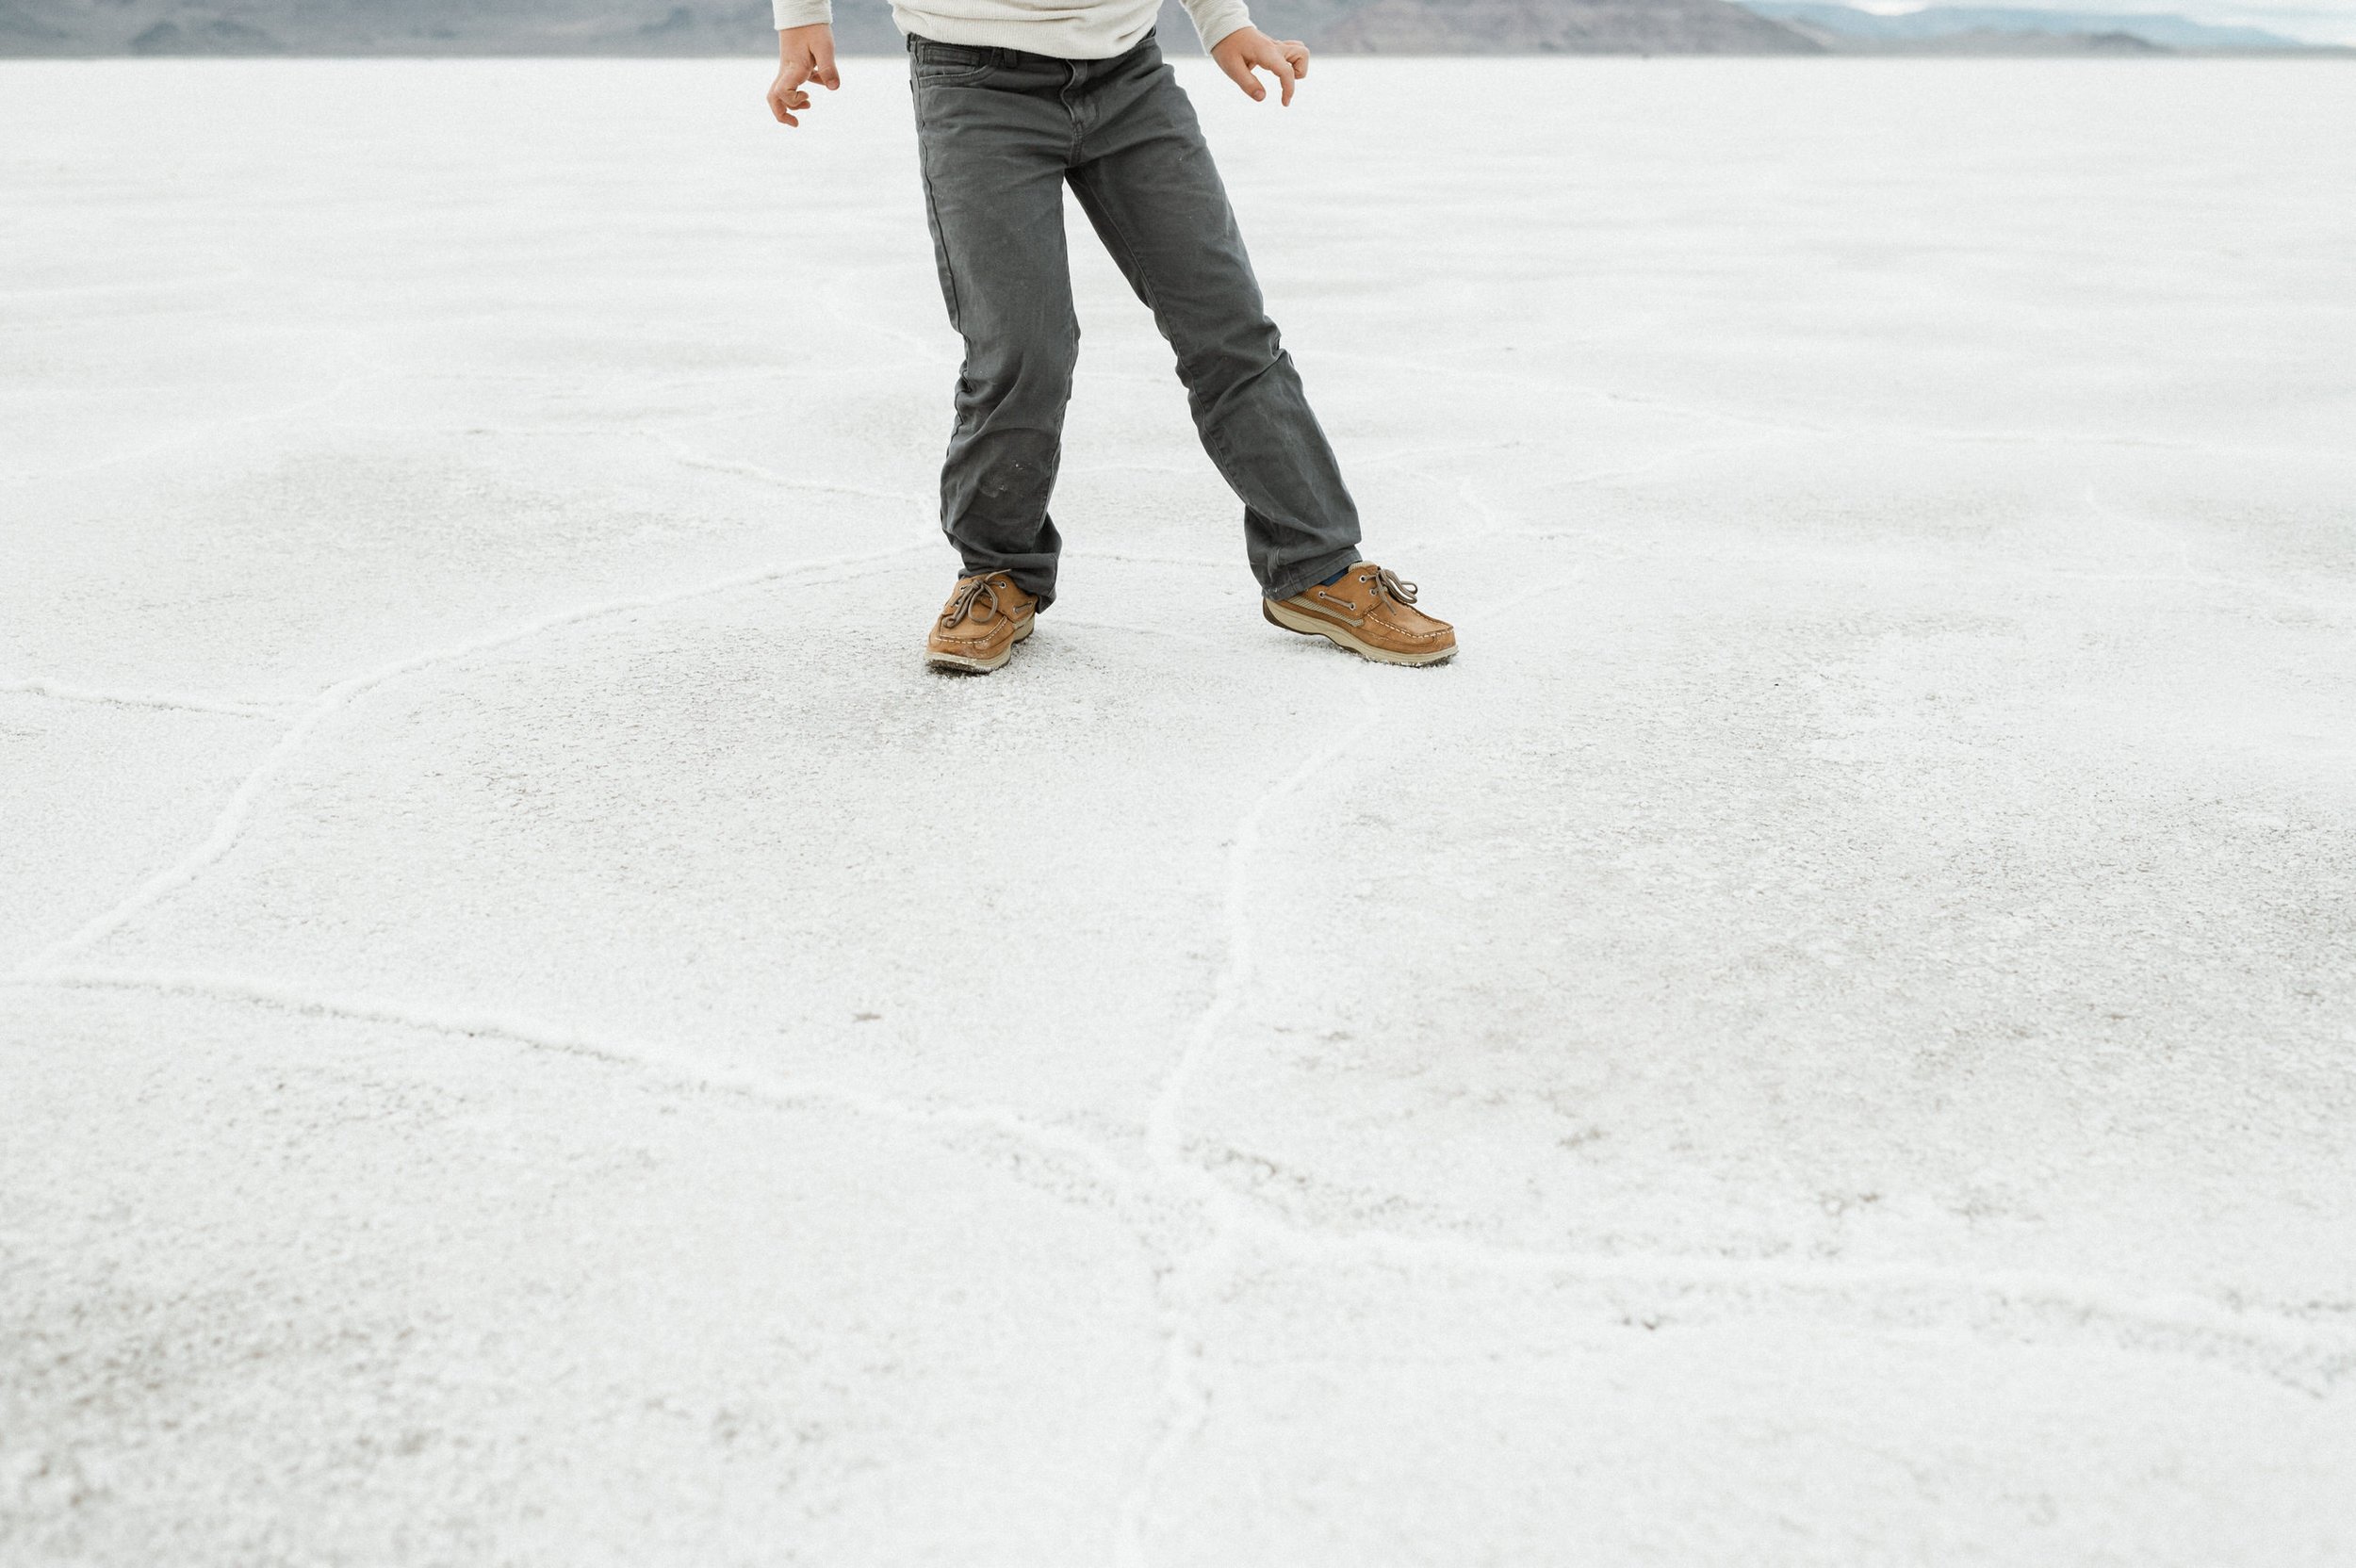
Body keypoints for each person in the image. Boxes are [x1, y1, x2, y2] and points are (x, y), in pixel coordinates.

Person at [766, 0, 1457, 673]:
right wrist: (802, 17)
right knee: (1023, 349)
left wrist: (1225, 22)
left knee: (1230, 331)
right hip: (974, 82)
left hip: (1129, 75)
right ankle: (1000, 571)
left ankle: (1317, 568)